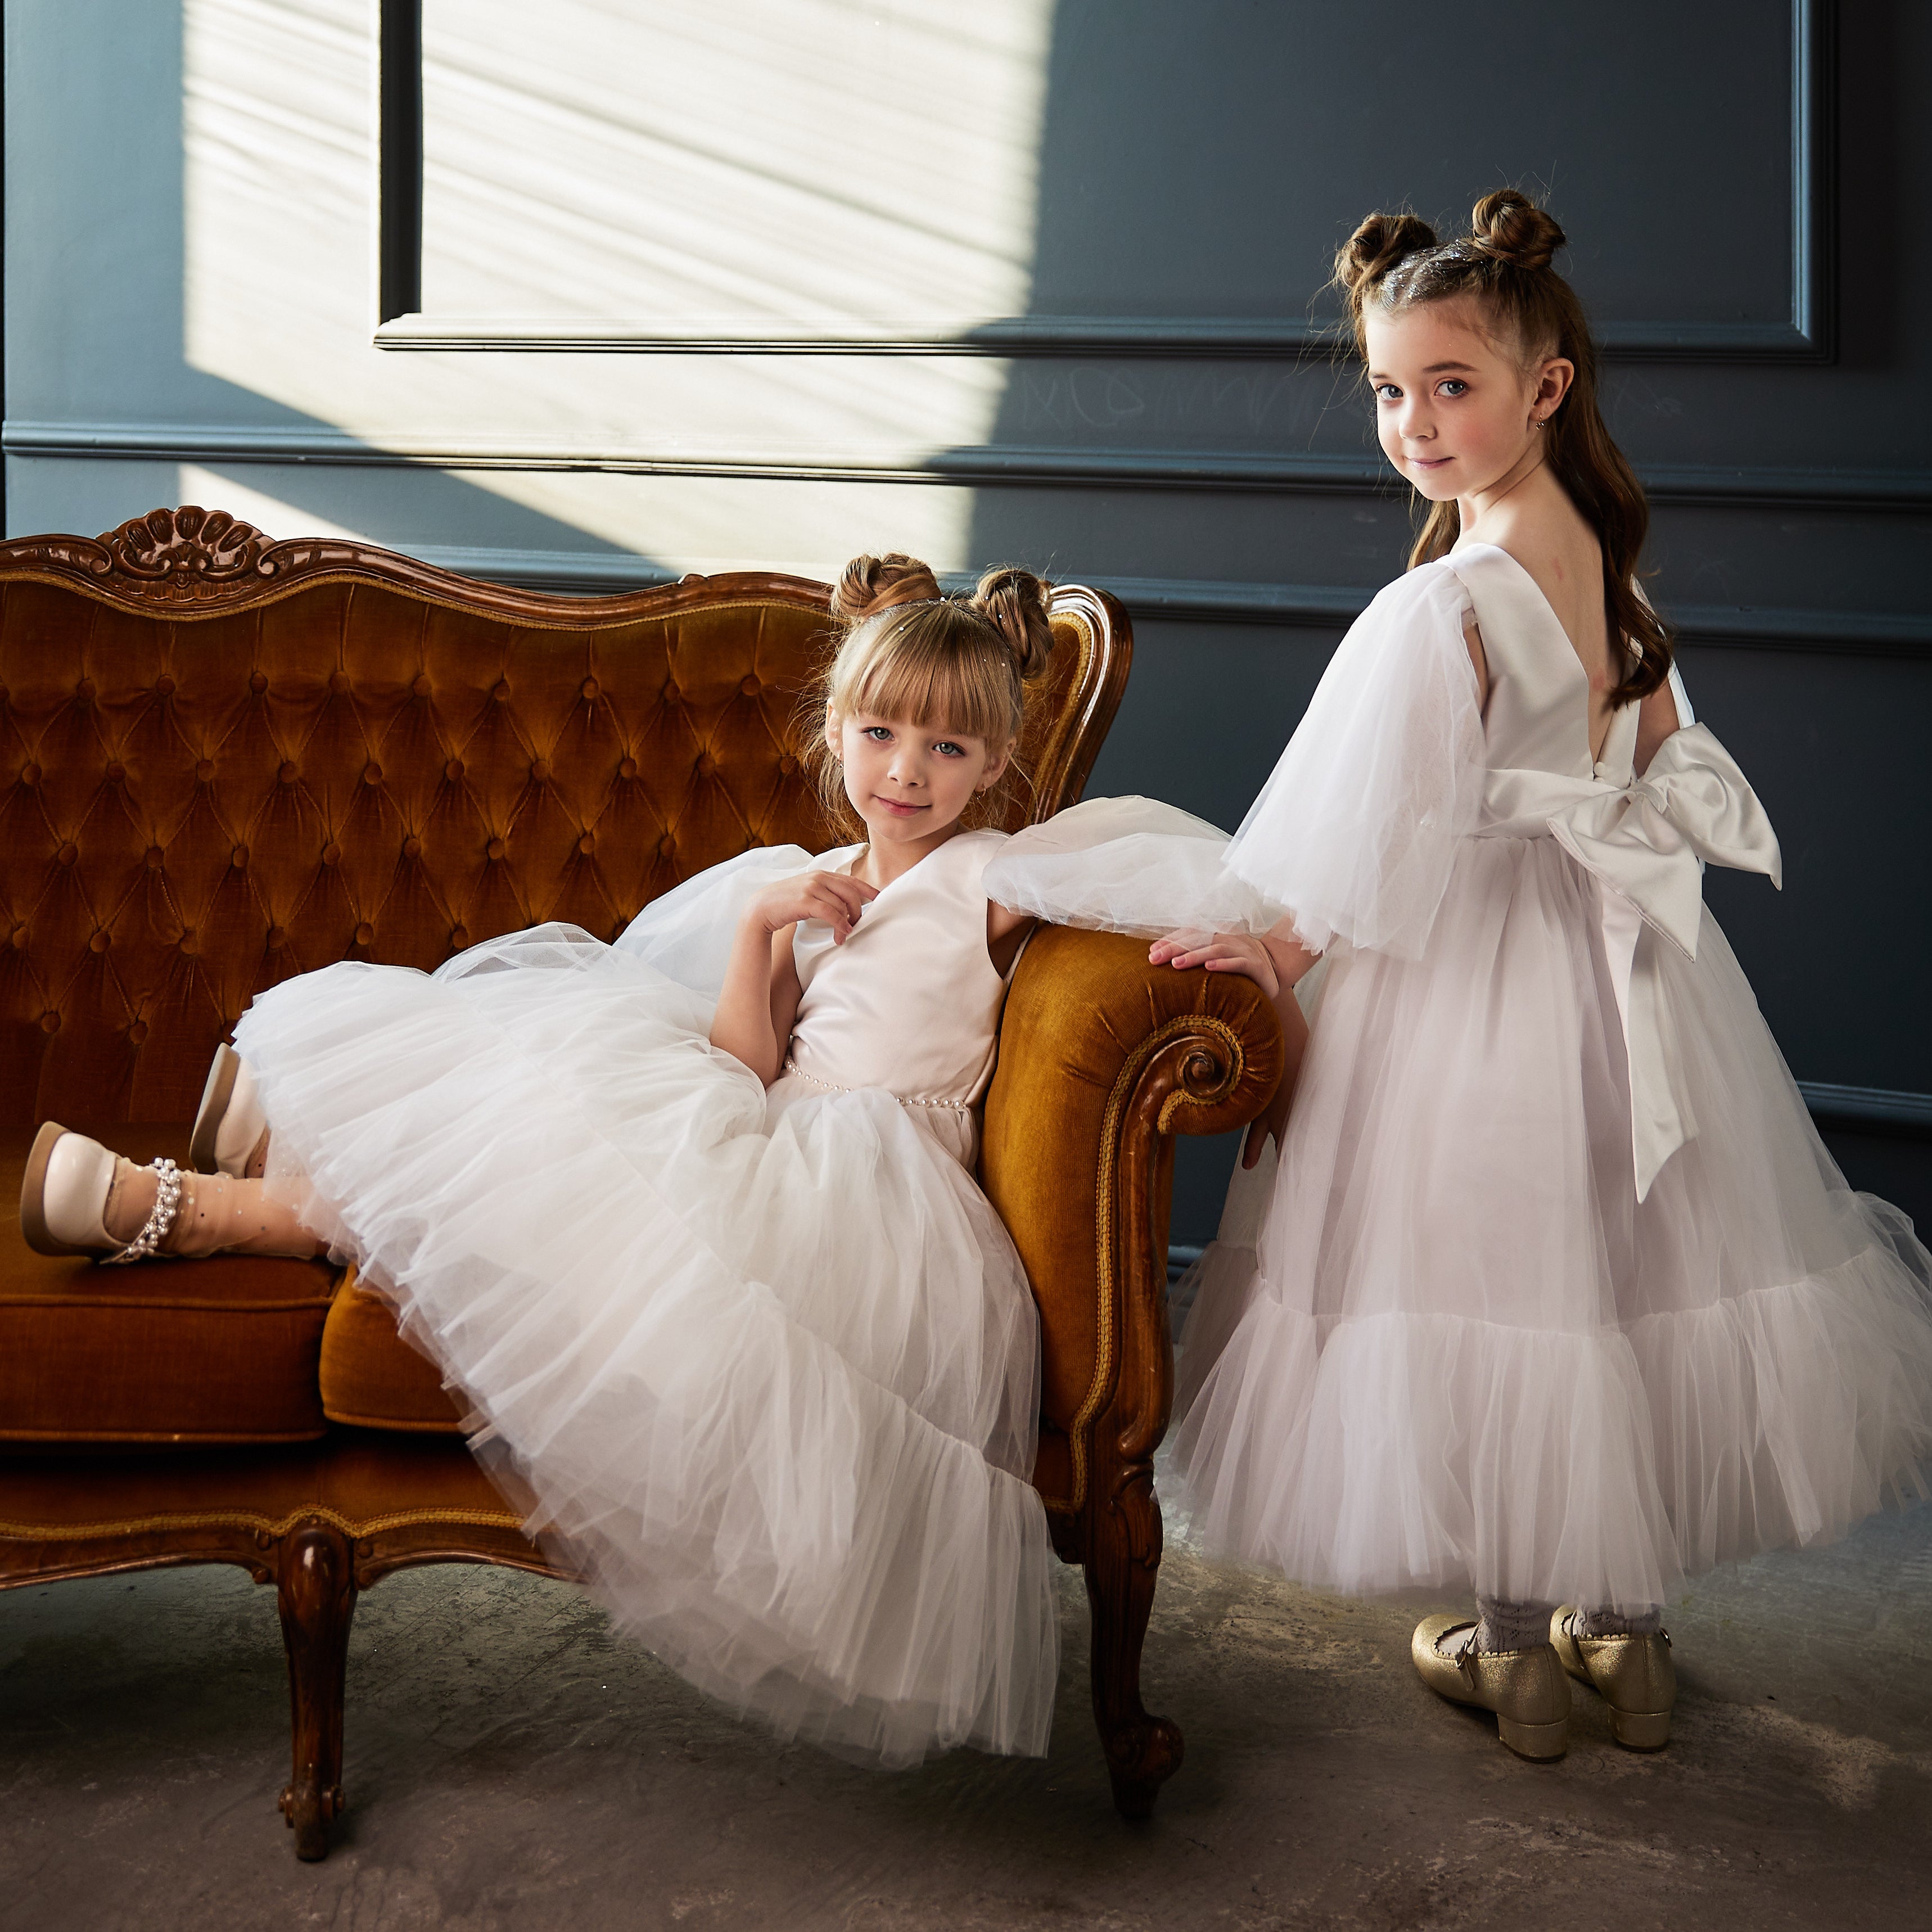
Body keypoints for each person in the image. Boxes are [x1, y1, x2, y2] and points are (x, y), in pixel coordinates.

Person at [987, 191, 1932, 1761]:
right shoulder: (1616, 581)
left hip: (1468, 982)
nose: (1412, 422)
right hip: (1626, 976)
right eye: (1385, 390)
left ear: (1542, 385)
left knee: (1490, 1277)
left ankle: (1517, 1655)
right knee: (1619, 1278)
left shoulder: (1438, 604)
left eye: (1449, 385)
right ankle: (1622, 1639)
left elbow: (1370, 836)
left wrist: (1269, 945)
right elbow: (1644, 767)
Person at [20, 554, 1076, 1769]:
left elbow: (1161, 870)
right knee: (546, 1108)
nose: (904, 771)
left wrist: (1262, 956)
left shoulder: (987, 877)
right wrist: (757, 927)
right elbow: (744, 1062)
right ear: (834, 730)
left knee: (546, 1194)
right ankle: (239, 1166)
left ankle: (206, 1196)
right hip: (770, 1118)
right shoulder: (813, 885)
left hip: (866, 1184)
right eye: (881, 732)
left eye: (947, 749)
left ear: (995, 763)